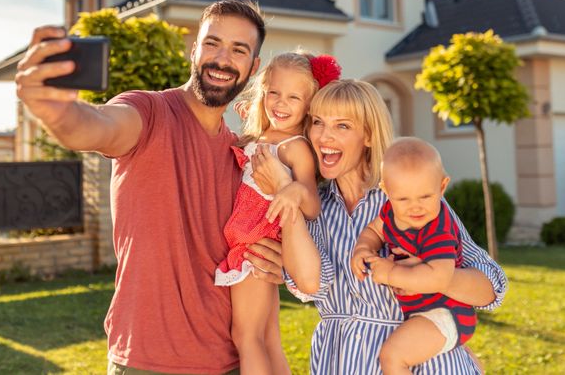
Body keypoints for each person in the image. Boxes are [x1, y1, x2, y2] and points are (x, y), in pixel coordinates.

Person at [15, 0, 285, 374]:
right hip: (148, 362)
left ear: (253, 68)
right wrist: (57, 112)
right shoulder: (148, 113)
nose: (222, 59)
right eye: (212, 43)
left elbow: (246, 242)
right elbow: (95, 126)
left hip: (229, 363)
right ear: (194, 50)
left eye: (239, 50)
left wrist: (273, 261)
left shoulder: (242, 156)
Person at [251, 79, 508, 375]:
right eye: (318, 122)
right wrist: (287, 195)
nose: (324, 136)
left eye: (342, 126)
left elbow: (491, 289)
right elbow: (313, 284)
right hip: (340, 362)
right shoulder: (313, 207)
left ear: (369, 136)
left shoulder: (408, 200)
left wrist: (428, 275)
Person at [215, 50, 339, 374]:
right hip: (251, 244)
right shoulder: (260, 138)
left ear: (309, 105)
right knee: (268, 338)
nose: (281, 104)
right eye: (274, 93)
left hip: (254, 247)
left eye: (293, 97)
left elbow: (311, 205)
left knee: (246, 336)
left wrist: (292, 189)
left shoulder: (295, 146)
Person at [351, 137, 476, 373]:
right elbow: (375, 229)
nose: (415, 207)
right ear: (386, 191)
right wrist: (363, 248)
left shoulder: (437, 229)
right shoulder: (391, 211)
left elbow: (440, 278)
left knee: (393, 357)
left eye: (425, 197)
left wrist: (391, 274)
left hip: (446, 313)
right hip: (425, 312)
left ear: (442, 187)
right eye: (403, 199)